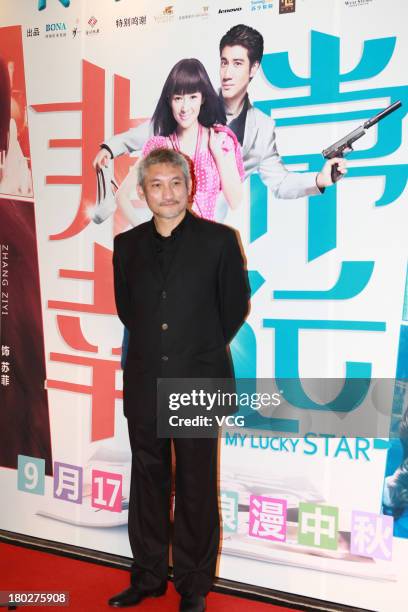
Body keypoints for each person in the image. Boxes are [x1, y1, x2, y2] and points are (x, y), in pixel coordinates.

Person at [110, 148, 250, 611]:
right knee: (147, 480)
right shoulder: (127, 247)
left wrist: (193, 351)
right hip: (145, 380)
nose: (167, 193)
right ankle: (148, 575)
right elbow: (128, 311)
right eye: (156, 184)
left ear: (189, 187)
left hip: (197, 379)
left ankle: (193, 584)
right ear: (142, 190)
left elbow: (233, 310)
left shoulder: (219, 241)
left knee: (194, 485)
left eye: (176, 183)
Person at [93, 25, 346, 204]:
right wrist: (110, 147)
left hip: (218, 224)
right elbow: (153, 129)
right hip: (173, 214)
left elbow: (279, 182)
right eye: (224, 62)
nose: (227, 73)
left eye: (237, 64)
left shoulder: (262, 127)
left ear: (253, 68)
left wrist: (320, 179)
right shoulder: (196, 103)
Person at [114, 58, 244, 225]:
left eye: (192, 97)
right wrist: (148, 237)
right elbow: (121, 196)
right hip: (170, 246)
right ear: (169, 100)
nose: (184, 107)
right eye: (178, 98)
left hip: (208, 244)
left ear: (203, 98)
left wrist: (218, 154)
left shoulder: (220, 140)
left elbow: (235, 201)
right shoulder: (159, 146)